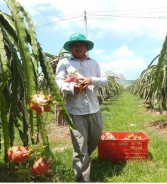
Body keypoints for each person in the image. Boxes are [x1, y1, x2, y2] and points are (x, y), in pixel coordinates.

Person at [55, 33, 108, 182]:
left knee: (94, 138)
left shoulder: (95, 63)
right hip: (76, 110)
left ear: (86, 47)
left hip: (94, 108)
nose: (78, 47)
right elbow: (58, 82)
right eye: (74, 45)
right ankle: (83, 178)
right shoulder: (64, 63)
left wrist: (91, 80)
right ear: (71, 48)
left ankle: (85, 159)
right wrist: (72, 87)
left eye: (81, 45)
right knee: (80, 146)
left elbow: (105, 81)